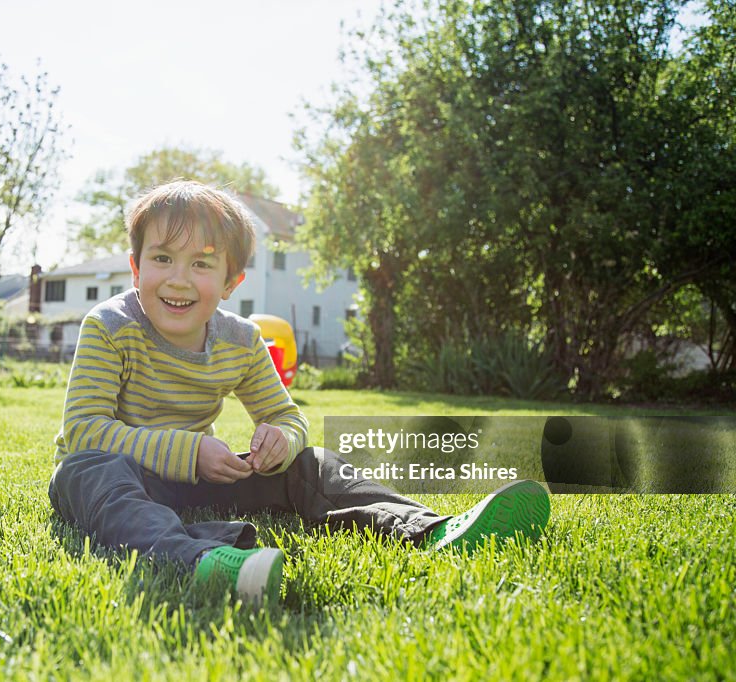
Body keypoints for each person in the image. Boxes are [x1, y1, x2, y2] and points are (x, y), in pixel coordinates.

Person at [49, 180, 550, 605]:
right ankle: (201, 559)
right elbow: (85, 429)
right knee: (88, 469)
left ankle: (429, 529)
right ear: (136, 269)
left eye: (202, 264)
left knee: (312, 462)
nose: (178, 279)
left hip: (197, 481)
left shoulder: (241, 340)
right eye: (162, 258)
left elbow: (288, 417)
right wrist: (190, 450)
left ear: (230, 282)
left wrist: (280, 443)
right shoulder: (110, 325)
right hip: (117, 477)